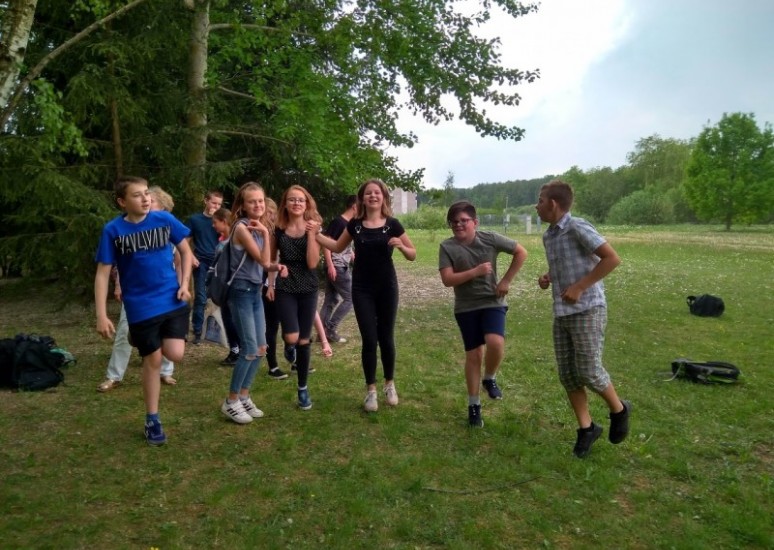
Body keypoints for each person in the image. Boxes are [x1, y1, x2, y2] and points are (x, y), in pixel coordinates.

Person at [535, 179, 631, 458]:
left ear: (553, 204)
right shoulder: (549, 236)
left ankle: (619, 409)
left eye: (540, 201)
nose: (537, 206)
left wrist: (579, 287)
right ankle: (587, 428)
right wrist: (549, 277)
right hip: (562, 312)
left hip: (588, 309)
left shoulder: (577, 227)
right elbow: (567, 263)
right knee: (568, 374)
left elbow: (611, 259)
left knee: (589, 370)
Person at [95, 176, 192, 446]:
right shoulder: (113, 231)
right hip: (140, 306)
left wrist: (184, 284)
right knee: (153, 360)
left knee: (176, 353)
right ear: (122, 201)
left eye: (147, 193)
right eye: (137, 195)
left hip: (171, 299)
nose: (145, 198)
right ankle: (152, 419)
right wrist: (101, 315)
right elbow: (102, 273)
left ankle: (137, 337)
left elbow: (185, 251)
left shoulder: (164, 220)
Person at [315, 178, 416, 412]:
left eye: (377, 193)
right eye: (368, 193)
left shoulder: (393, 224)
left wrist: (402, 246)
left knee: (386, 337)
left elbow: (413, 254)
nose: (373, 196)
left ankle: (389, 384)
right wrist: (316, 235)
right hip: (362, 289)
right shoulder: (355, 225)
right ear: (362, 199)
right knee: (370, 340)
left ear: (384, 197)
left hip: (387, 287)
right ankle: (371, 390)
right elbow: (337, 247)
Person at [438, 200, 528, 428]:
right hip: (466, 306)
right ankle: (474, 405)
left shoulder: (490, 239)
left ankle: (490, 378)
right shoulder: (447, 247)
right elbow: (447, 280)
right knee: (474, 355)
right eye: (454, 222)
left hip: (492, 301)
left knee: (495, 342)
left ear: (475, 222)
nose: (458, 225)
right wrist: (475, 272)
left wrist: (506, 280)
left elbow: (521, 252)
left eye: (463, 221)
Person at [97, 186, 180, 392]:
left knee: (166, 335)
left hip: (165, 294)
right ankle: (114, 375)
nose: (146, 204)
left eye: (152, 203)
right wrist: (118, 285)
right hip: (136, 296)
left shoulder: (167, 229)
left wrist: (181, 285)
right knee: (124, 331)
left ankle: (165, 371)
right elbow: (121, 265)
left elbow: (180, 259)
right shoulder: (124, 230)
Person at [220, 182, 286, 424]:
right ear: (243, 205)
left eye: (260, 200)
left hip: (255, 291)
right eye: (252, 201)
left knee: (261, 348)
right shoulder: (241, 228)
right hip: (240, 292)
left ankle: (244, 396)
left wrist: (277, 265)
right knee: (249, 349)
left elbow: (267, 263)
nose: (258, 205)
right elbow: (264, 261)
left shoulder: (257, 226)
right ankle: (231, 401)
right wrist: (267, 235)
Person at [271, 185, 322, 410]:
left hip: (308, 286)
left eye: (301, 200)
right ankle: (288, 345)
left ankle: (302, 389)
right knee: (291, 336)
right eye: (292, 199)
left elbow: (312, 263)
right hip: (285, 285)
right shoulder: (278, 229)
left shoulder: (314, 228)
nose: (296, 203)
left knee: (303, 340)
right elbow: (271, 259)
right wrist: (271, 281)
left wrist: (311, 234)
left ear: (307, 203)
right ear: (285, 204)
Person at [186, 190, 224, 344]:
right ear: (206, 201)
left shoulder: (221, 220)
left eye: (219, 204)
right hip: (201, 261)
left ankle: (214, 331)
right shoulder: (195, 220)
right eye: (214, 202)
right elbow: (185, 241)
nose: (216, 206)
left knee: (217, 297)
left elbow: (227, 238)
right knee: (201, 297)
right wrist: (191, 256)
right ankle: (197, 330)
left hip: (218, 262)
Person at [320, 194, 357, 343]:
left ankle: (322, 333)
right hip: (337, 266)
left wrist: (353, 256)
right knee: (351, 298)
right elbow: (326, 243)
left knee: (331, 299)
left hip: (339, 265)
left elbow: (345, 245)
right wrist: (330, 265)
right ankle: (330, 329)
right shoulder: (339, 222)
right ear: (354, 206)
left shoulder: (349, 223)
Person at [260, 198, 289, 380]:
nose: (271, 216)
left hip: (285, 282)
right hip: (267, 283)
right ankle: (273, 365)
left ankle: (294, 358)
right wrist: (270, 285)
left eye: (273, 212)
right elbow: (269, 261)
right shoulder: (260, 232)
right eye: (267, 213)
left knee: (291, 323)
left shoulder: (279, 230)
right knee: (272, 325)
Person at [211, 207, 241, 365]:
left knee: (230, 319)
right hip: (226, 286)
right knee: (228, 318)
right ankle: (236, 348)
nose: (213, 225)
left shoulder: (228, 244)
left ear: (224, 222)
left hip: (229, 286)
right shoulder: (223, 242)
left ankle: (237, 349)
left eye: (215, 222)